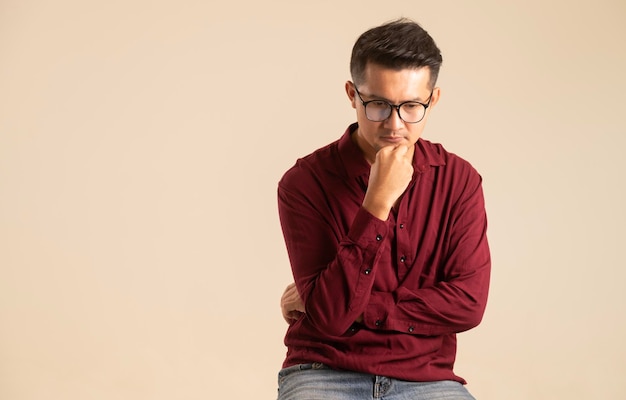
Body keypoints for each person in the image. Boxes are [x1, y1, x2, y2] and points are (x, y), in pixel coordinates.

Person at [276, 18, 490, 400]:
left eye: (411, 106)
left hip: (426, 379)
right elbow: (328, 319)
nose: (394, 124)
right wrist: (376, 204)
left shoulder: (459, 181)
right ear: (352, 94)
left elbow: (469, 305)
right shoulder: (304, 182)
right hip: (324, 370)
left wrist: (349, 305)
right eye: (378, 104)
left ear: (433, 99)